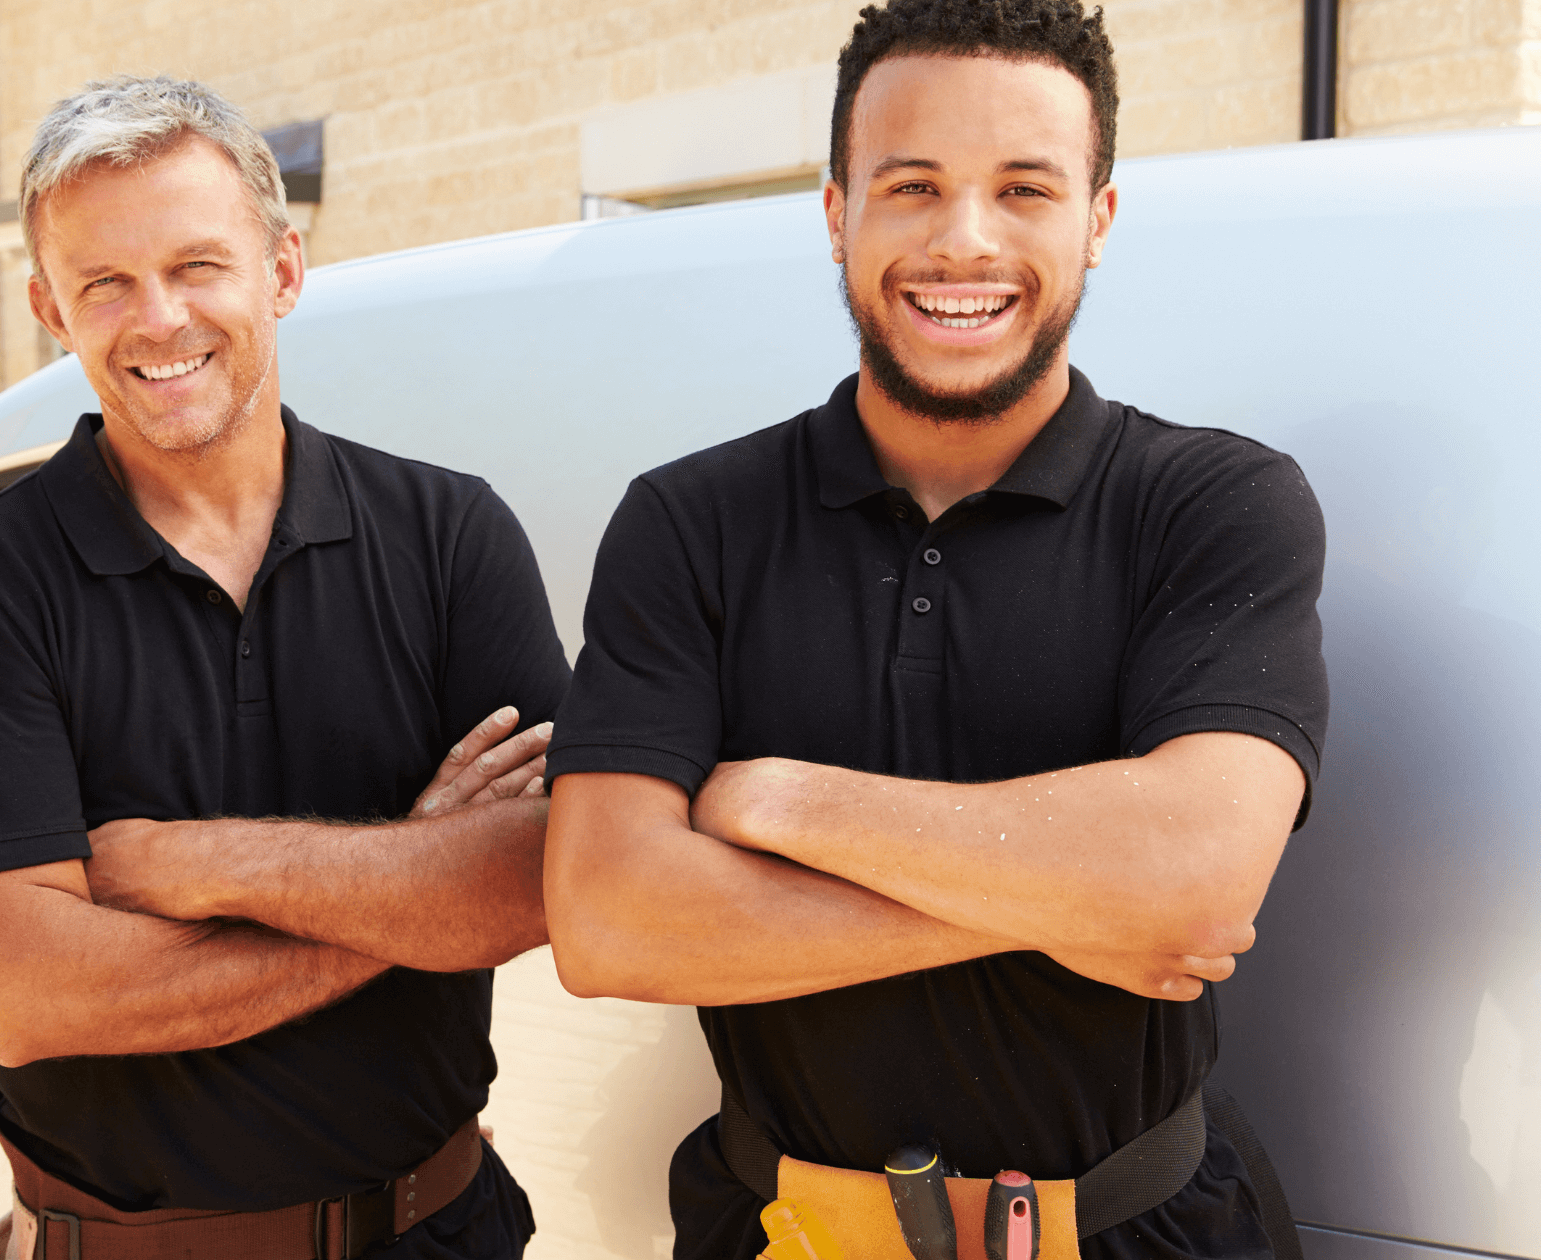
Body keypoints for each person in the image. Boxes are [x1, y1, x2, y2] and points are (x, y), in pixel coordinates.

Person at [541, 3, 1328, 1258]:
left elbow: (1191, 877)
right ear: (836, 212)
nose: (964, 242)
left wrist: (777, 804)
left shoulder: (1211, 504)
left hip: (1138, 1231)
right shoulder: (690, 524)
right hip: (782, 1235)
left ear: (1097, 221)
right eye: (911, 187)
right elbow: (609, 923)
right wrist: (1074, 903)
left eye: (1024, 188)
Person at [0, 76, 567, 1260]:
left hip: (441, 1233)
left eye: (197, 265)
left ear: (282, 272)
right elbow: (36, 999)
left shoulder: (450, 536)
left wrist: (183, 861)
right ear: (52, 309)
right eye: (106, 282)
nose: (157, 318)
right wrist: (414, 885)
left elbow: (537, 880)